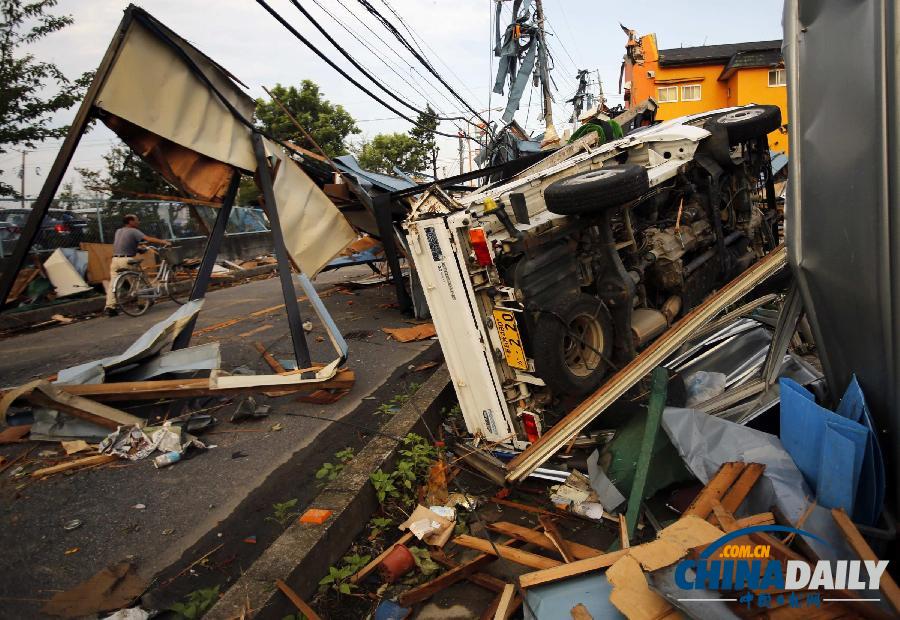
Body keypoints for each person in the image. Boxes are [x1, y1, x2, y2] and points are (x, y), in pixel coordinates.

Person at [104, 214, 171, 316]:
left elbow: (124, 244)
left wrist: (138, 249)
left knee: (113, 284)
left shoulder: (119, 231)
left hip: (115, 260)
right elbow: (148, 239)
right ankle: (143, 303)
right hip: (127, 260)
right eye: (136, 220)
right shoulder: (134, 231)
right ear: (130, 222)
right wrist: (163, 242)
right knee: (140, 280)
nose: (138, 222)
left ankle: (110, 307)